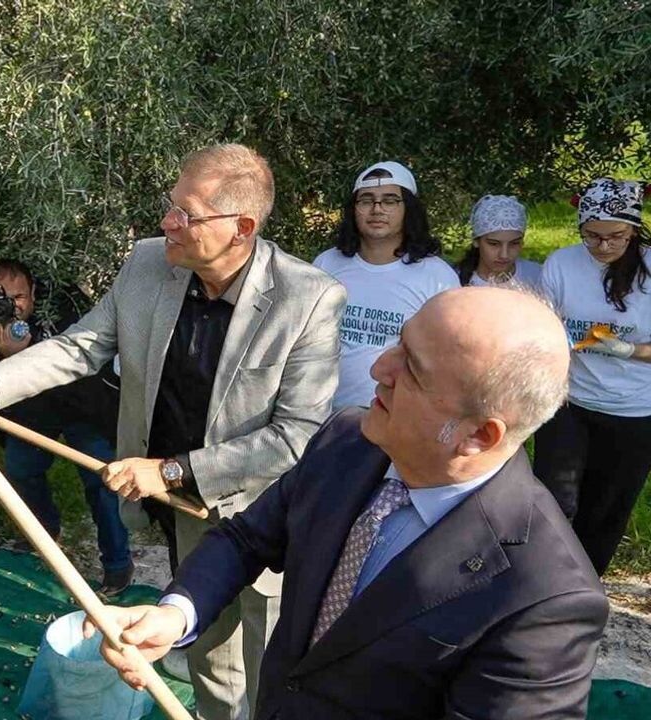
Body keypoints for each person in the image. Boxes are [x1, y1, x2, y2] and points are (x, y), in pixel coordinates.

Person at [0, 144, 346, 719]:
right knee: (213, 660)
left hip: (268, 517)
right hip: (185, 510)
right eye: (170, 206)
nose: (166, 222)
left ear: (241, 228)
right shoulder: (150, 264)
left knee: (275, 666)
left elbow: (296, 435)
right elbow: (82, 346)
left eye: (186, 214)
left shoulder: (309, 299)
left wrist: (172, 469)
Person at [86, 286, 609, 720]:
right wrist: (175, 616)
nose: (381, 366)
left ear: (477, 435)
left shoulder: (544, 599)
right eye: (399, 344)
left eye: (414, 371)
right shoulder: (347, 439)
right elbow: (248, 537)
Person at [0, 258, 133, 593]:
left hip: (83, 409)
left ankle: (117, 564)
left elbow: (77, 358)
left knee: (103, 482)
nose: (10, 306)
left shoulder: (63, 307)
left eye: (19, 297)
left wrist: (25, 352)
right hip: (29, 419)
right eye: (1, 296)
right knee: (21, 470)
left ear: (35, 293)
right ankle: (44, 533)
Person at [534, 177, 651, 575]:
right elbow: (545, 325)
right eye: (592, 236)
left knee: (605, 511)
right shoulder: (562, 264)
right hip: (571, 402)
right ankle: (538, 583)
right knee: (553, 499)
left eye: (616, 236)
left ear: (634, 229)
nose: (603, 246)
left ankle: (581, 588)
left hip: (634, 411)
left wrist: (630, 350)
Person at [314, 161, 459, 409]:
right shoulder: (326, 264)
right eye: (366, 200)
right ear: (353, 209)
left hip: (398, 421)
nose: (377, 209)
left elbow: (447, 359)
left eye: (390, 200)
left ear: (409, 209)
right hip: (323, 415)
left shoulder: (437, 277)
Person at [454, 194, 543, 288]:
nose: (504, 255)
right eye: (494, 244)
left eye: (514, 243)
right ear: (476, 241)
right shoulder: (452, 279)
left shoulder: (538, 277)